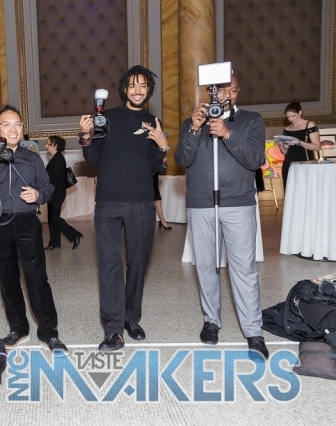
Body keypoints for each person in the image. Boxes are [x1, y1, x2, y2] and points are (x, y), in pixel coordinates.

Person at [174, 73, 269, 360]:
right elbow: (182, 159)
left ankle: (253, 331)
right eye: (222, 90)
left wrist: (228, 133)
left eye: (234, 90)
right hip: (201, 204)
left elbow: (255, 159)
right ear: (211, 92)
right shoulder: (192, 122)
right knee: (207, 267)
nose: (228, 95)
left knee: (244, 270)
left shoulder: (252, 120)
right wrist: (195, 128)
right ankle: (211, 321)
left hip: (239, 204)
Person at [78, 65, 168, 351]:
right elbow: (93, 160)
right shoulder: (106, 118)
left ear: (149, 89)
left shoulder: (153, 122)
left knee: (138, 263)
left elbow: (152, 168)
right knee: (110, 265)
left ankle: (131, 317)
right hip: (108, 202)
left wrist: (162, 147)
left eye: (143, 85)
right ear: (124, 90)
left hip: (141, 201)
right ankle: (113, 329)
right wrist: (86, 136)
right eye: (132, 85)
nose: (138, 90)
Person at [0, 104, 68, 353]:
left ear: (22, 128)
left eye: (17, 124)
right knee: (7, 279)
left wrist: (38, 195)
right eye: (6, 124)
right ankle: (18, 328)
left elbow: (48, 188)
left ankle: (49, 332)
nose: (13, 129)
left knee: (37, 278)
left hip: (27, 223)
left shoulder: (32, 158)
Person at [44, 135, 83, 250]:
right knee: (52, 217)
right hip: (53, 192)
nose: (46, 146)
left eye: (48, 144)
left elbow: (53, 176)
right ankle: (55, 243)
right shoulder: (55, 158)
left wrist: (42, 178)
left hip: (57, 192)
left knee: (54, 217)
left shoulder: (59, 159)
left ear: (55, 145)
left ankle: (74, 235)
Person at [279, 99, 321, 190]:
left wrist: (299, 142)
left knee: (305, 190)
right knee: (290, 190)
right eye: (288, 117)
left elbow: (317, 147)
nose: (291, 119)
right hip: (289, 164)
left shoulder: (309, 125)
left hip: (305, 162)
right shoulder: (287, 129)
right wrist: (281, 146)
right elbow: (287, 153)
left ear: (300, 112)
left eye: (293, 116)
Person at [153, 158, 172, 230]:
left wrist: (163, 163)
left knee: (157, 200)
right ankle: (162, 221)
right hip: (148, 179)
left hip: (153, 178)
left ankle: (162, 221)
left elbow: (162, 170)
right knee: (157, 200)